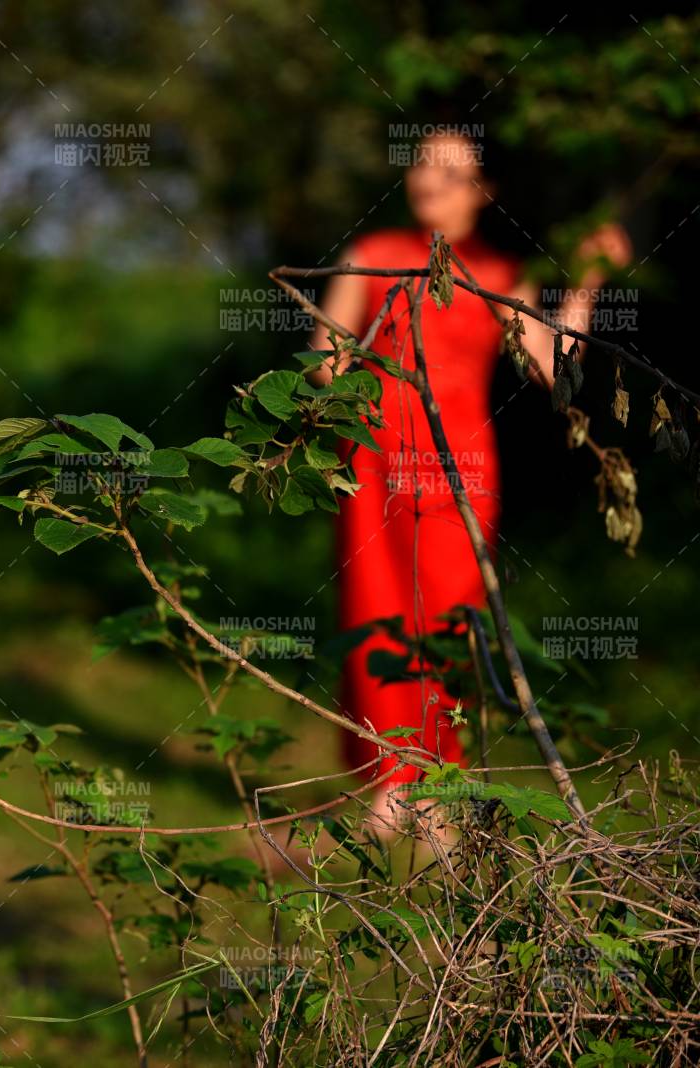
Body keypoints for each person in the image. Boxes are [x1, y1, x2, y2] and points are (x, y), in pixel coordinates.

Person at [308, 131, 630, 831]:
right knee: (377, 613)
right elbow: (325, 360)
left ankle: (439, 782)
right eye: (421, 161)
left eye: (449, 169)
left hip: (463, 468)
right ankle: (389, 785)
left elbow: (555, 368)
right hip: (373, 461)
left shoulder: (498, 273)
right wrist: (337, 385)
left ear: (482, 190)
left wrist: (588, 282)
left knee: (450, 618)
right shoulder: (372, 256)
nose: (429, 177)